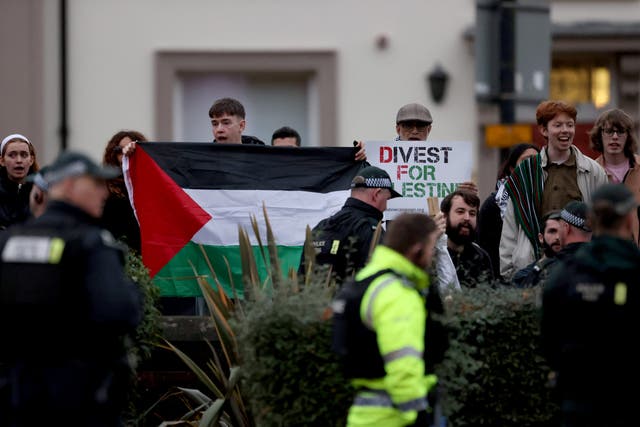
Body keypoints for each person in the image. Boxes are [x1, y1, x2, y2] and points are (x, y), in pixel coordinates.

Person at [0, 150, 142, 426]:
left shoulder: (9, 242)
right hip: (81, 399)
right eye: (96, 183)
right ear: (69, 185)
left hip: (19, 397)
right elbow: (118, 312)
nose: (104, 192)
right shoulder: (90, 243)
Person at [541, 183, 640, 427]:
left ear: (593, 222)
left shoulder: (564, 274)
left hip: (578, 404)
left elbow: (548, 339)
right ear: (629, 220)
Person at [331, 213, 442, 427]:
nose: (431, 256)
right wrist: (417, 414)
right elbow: (403, 363)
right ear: (417, 249)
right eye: (431, 248)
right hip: (397, 418)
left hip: (365, 413)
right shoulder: (397, 293)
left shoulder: (365, 280)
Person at [499, 100, 608, 279]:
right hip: (533, 267)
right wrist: (509, 274)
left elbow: (603, 224)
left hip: (580, 267)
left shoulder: (593, 171)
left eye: (570, 125)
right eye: (558, 125)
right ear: (544, 130)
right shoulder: (526, 171)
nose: (565, 130)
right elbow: (511, 226)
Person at [300, 165, 401, 284]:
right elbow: (380, 282)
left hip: (314, 301)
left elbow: (302, 278)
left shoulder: (321, 227)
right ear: (377, 194)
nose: (386, 207)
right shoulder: (370, 229)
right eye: (387, 199)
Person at [477, 143, 539, 278]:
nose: (532, 165)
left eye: (537, 160)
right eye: (526, 160)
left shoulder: (545, 198)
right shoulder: (494, 204)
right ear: (512, 168)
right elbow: (486, 249)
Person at [394, 103, 478, 195]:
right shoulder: (382, 160)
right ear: (398, 129)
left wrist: (466, 194)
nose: (415, 131)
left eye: (421, 126)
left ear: (429, 130)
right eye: (408, 125)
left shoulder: (447, 162)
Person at [589, 107, 640, 245]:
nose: (615, 137)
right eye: (609, 131)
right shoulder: (590, 170)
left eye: (621, 131)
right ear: (600, 134)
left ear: (628, 136)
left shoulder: (638, 168)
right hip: (602, 251)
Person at [101, 129, 147, 253]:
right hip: (118, 256)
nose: (124, 155)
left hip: (145, 258)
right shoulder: (104, 187)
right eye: (119, 150)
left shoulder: (149, 187)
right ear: (112, 154)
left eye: (131, 151)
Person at [440, 189, 493, 287]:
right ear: (444, 217)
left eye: (472, 213)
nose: (467, 218)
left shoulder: (481, 257)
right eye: (460, 212)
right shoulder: (435, 254)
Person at [511, 210, 562, 288]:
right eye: (552, 231)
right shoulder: (523, 277)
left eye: (562, 232)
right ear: (541, 238)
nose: (558, 237)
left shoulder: (577, 272)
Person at [0, 133, 40, 230]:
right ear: (2, 161)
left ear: (31, 160)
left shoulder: (40, 193)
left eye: (24, 155)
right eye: (12, 155)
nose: (19, 160)